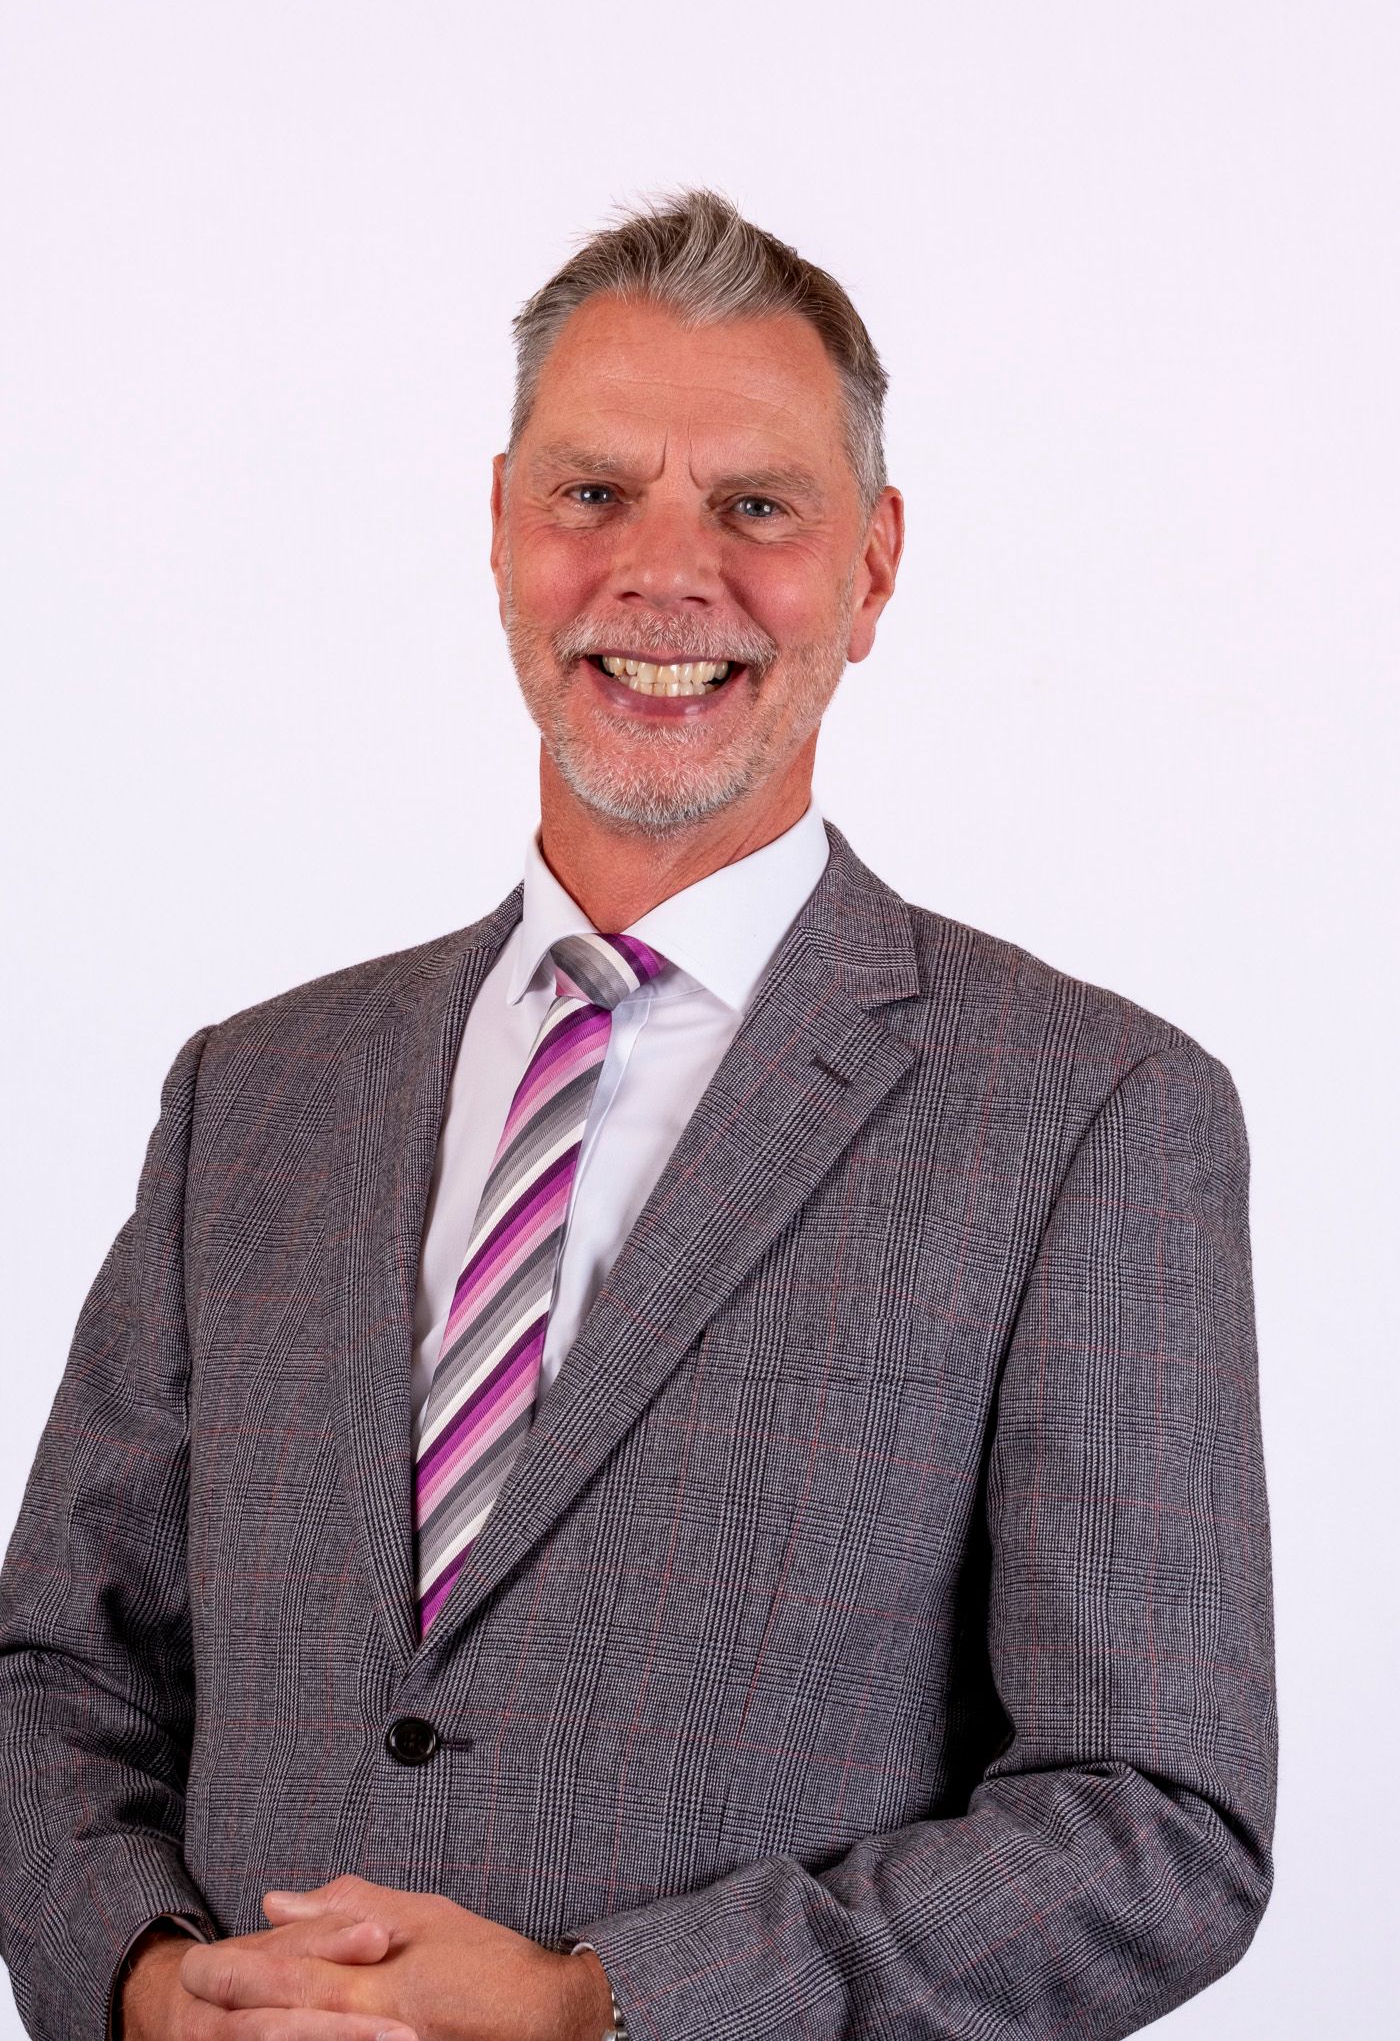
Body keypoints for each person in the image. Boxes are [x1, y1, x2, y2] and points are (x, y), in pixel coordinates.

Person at [0, 186, 1276, 2041]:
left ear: (875, 564)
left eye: (755, 508)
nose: (661, 574)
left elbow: (1156, 1825)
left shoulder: (1092, 1116)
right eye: (593, 495)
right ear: (504, 529)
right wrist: (140, 1983)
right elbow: (54, 1680)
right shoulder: (253, 1097)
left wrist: (607, 2005)